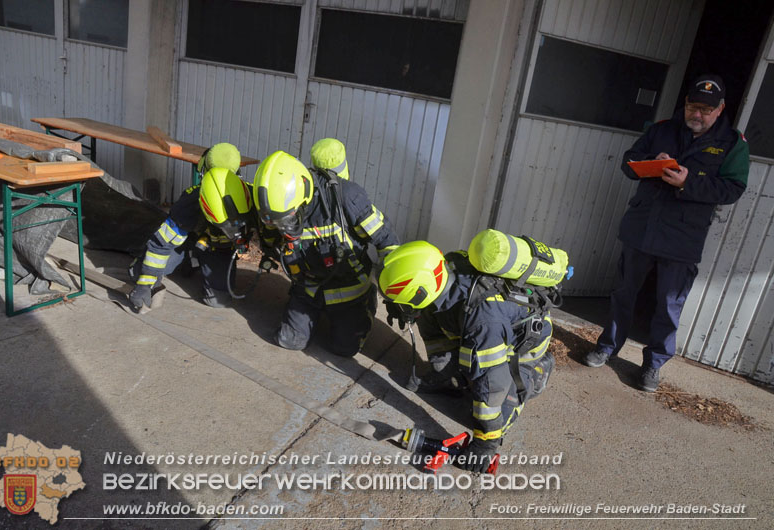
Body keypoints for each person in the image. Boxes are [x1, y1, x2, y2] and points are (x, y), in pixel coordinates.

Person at [584, 74, 750, 392]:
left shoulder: (732, 143)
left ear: (720, 109)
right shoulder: (661, 129)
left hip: (683, 237)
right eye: (692, 106)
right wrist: (650, 163)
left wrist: (688, 182)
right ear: (684, 103)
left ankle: (653, 365)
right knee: (623, 294)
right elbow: (627, 163)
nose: (697, 114)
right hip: (642, 228)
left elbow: (733, 189)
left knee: (669, 305)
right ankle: (607, 347)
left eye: (705, 109)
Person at [378, 240, 555, 473]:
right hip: (486, 328)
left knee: (495, 416)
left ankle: (537, 372)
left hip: (521, 348)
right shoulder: (441, 275)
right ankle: (448, 374)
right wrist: (445, 368)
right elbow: (434, 318)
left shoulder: (484, 322)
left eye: (401, 304)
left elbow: (493, 383)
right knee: (430, 314)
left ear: (419, 292)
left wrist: (486, 442)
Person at [252, 150, 399, 357]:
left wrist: (395, 293)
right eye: (277, 222)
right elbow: (270, 242)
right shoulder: (275, 207)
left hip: (346, 287)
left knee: (345, 349)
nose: (283, 227)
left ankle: (366, 302)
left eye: (288, 218)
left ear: (302, 194)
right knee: (290, 340)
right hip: (308, 286)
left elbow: (387, 240)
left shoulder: (346, 197)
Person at [129, 159, 256, 311]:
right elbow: (162, 244)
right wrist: (146, 282)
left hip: (220, 251)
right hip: (187, 244)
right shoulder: (191, 200)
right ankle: (187, 259)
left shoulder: (252, 196)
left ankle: (199, 263)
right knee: (137, 274)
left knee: (217, 301)